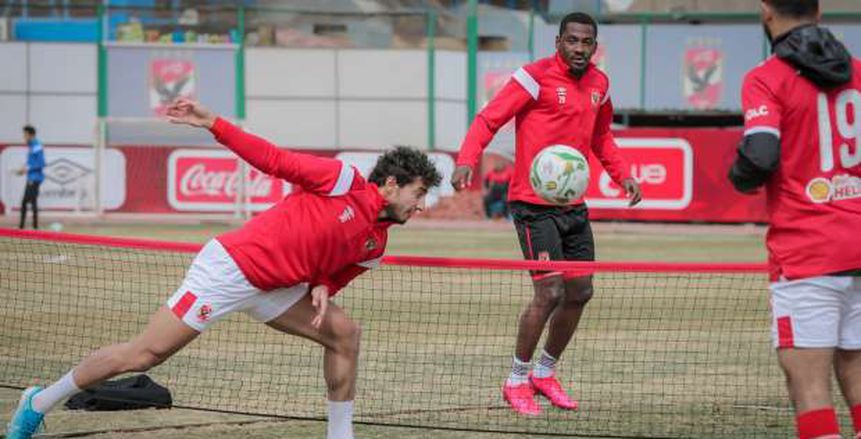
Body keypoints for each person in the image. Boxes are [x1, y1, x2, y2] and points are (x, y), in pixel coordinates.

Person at [5, 98, 442, 439]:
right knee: (145, 354)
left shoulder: (376, 244)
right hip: (230, 269)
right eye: (418, 193)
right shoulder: (340, 179)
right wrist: (213, 122)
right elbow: (273, 159)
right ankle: (38, 403)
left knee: (345, 334)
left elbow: (335, 272)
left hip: (278, 288)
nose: (421, 205)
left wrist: (325, 284)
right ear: (389, 184)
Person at [451, 12, 641, 416]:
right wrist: (467, 160)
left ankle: (545, 373)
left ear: (594, 46)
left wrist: (623, 176)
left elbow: (602, 136)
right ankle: (516, 380)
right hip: (532, 207)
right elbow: (489, 119)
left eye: (586, 42)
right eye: (571, 40)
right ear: (558, 42)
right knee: (549, 292)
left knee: (581, 292)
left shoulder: (599, 85)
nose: (578, 48)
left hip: (573, 206)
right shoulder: (533, 77)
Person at [728, 1, 861, 438]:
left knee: (809, 391)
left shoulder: (766, 78)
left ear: (766, 11)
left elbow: (760, 155)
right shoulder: (857, 71)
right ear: (819, 11)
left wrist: (739, 176)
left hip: (806, 254)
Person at [17, 125, 45, 230]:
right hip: (31, 178)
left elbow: (41, 163)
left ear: (31, 134)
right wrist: (23, 169)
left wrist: (27, 169)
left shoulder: (36, 146)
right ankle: (28, 227)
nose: (24, 137)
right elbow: (31, 162)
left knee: (29, 202)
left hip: (35, 179)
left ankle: (32, 227)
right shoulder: (31, 146)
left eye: (25, 134)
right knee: (28, 202)